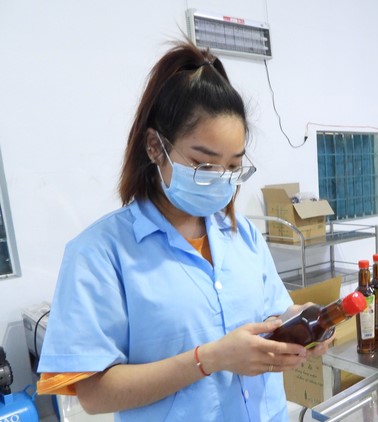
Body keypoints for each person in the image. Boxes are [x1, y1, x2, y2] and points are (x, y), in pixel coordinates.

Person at [36, 41, 332, 421]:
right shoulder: (100, 253)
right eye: (204, 165)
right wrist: (208, 359)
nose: (221, 180)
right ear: (154, 147)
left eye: (232, 167)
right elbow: (94, 394)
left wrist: (304, 319)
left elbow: (274, 311)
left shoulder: (242, 237)